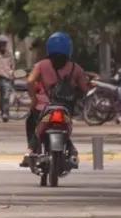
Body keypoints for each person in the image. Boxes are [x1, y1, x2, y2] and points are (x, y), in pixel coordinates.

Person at [21, 31, 89, 167]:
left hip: (43, 108)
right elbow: (85, 90)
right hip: (66, 108)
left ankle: (30, 150)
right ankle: (71, 149)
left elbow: (30, 81)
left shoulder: (41, 65)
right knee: (65, 129)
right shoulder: (76, 68)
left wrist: (34, 99)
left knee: (33, 124)